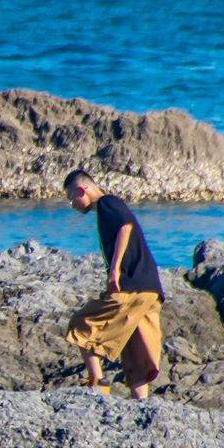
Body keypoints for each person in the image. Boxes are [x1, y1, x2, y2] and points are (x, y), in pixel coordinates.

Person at [61, 170, 164, 399]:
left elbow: (125, 228)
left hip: (132, 286)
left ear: (82, 190)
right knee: (137, 351)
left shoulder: (107, 202)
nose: (72, 205)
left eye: (71, 197)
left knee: (81, 324)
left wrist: (115, 270)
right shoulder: (108, 207)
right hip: (150, 290)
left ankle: (98, 382)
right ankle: (141, 404)